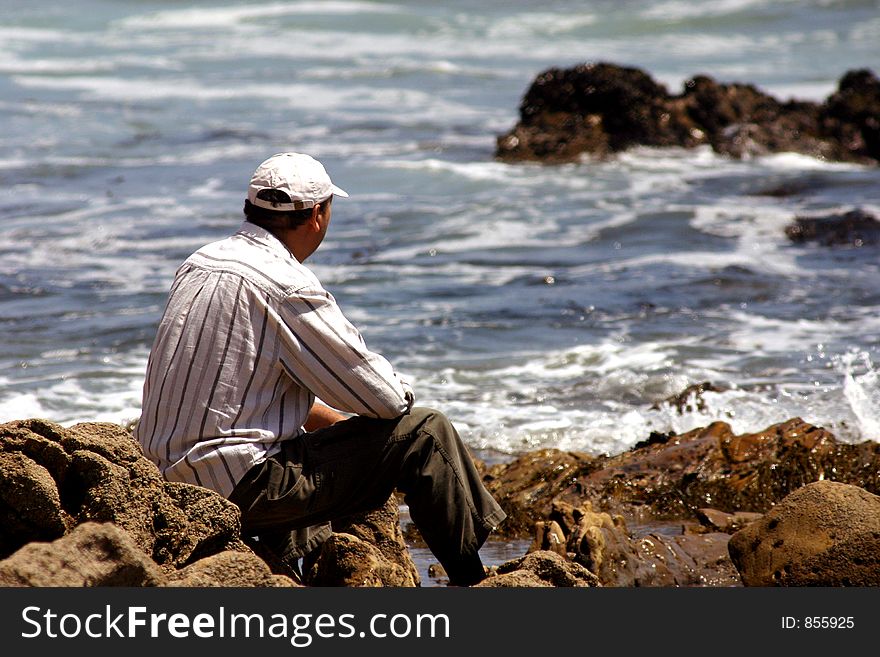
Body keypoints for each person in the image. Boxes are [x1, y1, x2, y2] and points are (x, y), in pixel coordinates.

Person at [134, 152, 506, 586]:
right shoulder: (285, 284)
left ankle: (301, 573)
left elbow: (242, 396)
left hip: (165, 475)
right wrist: (381, 410)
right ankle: (474, 581)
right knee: (426, 432)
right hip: (235, 487)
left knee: (306, 443)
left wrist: (340, 425)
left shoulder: (202, 262)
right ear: (316, 215)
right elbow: (385, 399)